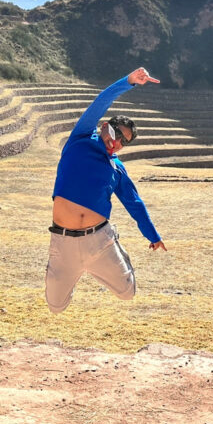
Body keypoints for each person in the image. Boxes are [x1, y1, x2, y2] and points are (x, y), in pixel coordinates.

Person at [45, 67, 167, 314]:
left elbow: (135, 203)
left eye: (124, 141)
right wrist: (129, 81)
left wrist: (153, 235)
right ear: (103, 126)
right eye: (116, 133)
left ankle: (113, 250)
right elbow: (101, 101)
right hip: (63, 240)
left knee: (127, 292)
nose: (118, 142)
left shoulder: (117, 168)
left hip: (99, 240)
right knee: (55, 306)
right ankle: (78, 270)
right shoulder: (79, 138)